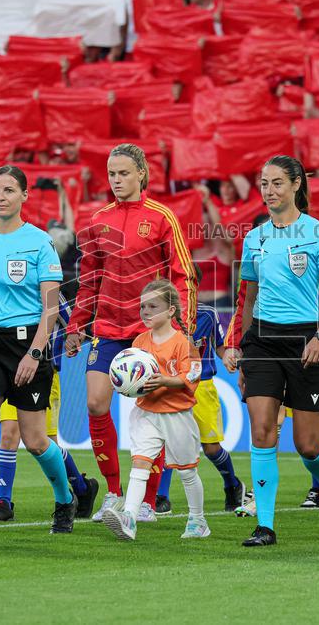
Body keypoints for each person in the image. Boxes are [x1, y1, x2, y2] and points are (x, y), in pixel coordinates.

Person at [64, 143, 197, 523]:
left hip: (149, 331)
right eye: (111, 174)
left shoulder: (162, 217)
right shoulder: (97, 220)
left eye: (123, 173)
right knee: (95, 404)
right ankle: (114, 492)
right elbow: (89, 279)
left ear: (141, 173)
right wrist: (76, 326)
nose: (117, 180)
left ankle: (148, 502)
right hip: (107, 327)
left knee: (154, 414)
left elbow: (182, 275)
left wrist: (181, 326)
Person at [0, 165, 77, 539]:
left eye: (8, 190)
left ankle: (64, 498)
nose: (0, 197)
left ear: (25, 196)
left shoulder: (40, 242)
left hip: (27, 346)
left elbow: (51, 307)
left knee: (37, 440)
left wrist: (35, 353)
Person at [232, 155, 319, 547]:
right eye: (264, 183)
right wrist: (244, 348)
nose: (269, 190)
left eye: (277, 182)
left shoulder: (318, 234)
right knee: (262, 432)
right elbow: (247, 299)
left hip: (306, 343)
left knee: (308, 445)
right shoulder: (255, 237)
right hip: (263, 340)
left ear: (297, 184)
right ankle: (265, 525)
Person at [103, 279, 209, 541]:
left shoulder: (184, 343)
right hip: (146, 412)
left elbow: (192, 377)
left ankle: (198, 520)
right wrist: (125, 384)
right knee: (140, 464)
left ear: (171, 310)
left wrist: (164, 381)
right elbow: (131, 376)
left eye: (153, 306)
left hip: (177, 414)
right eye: (142, 306)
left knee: (186, 471)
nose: (146, 312)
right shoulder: (139, 341)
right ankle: (129, 517)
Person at [0, 295, 100, 522]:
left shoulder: (48, 289)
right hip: (10, 372)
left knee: (47, 444)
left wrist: (72, 339)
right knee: (9, 433)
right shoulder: (6, 288)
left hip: (44, 374)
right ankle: (4, 502)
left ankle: (80, 486)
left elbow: (75, 322)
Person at [156, 266, 249, 514]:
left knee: (211, 448)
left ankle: (232, 485)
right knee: (166, 442)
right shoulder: (162, 316)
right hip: (171, 385)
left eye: (185, 282)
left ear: (195, 284)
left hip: (202, 386)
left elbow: (219, 346)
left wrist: (228, 354)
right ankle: (160, 497)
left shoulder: (207, 314)